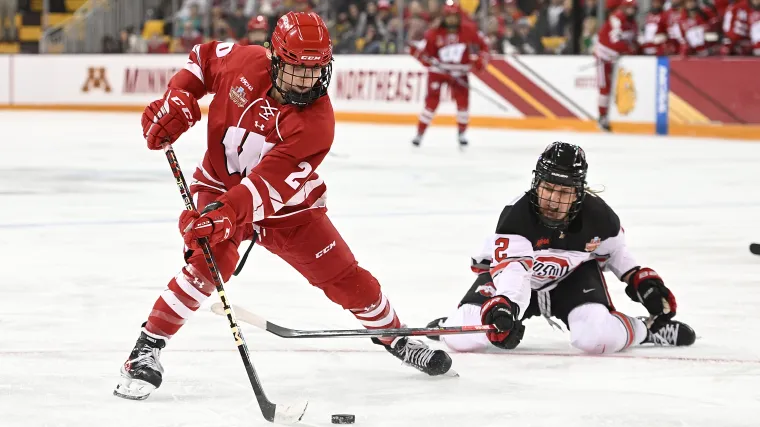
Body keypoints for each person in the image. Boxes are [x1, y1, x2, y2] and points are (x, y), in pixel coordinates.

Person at [114, 11, 453, 401]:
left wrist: (225, 215)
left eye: (316, 71)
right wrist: (179, 96)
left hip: (287, 210)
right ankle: (147, 348)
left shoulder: (316, 123)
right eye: (296, 69)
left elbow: (264, 187)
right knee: (211, 260)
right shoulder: (244, 63)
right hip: (219, 184)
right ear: (274, 58)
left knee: (347, 279)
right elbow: (203, 58)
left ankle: (395, 336)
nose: (307, 81)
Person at [426, 142, 696, 354]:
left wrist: (640, 278)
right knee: (464, 340)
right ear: (536, 183)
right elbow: (513, 271)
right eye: (548, 188)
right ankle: (452, 322)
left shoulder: (600, 217)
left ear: (579, 192)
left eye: (564, 192)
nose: (553, 200)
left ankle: (647, 331)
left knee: (596, 340)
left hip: (571, 281)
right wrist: (505, 306)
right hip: (517, 285)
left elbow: (616, 252)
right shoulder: (517, 216)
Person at [409, 0, 489, 149]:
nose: (451, 19)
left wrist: (479, 60)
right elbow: (423, 53)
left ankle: (462, 133)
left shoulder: (468, 30)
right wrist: (421, 56)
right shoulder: (434, 33)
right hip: (439, 73)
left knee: (463, 102)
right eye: (449, 16)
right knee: (432, 102)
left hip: (459, 73)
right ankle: (420, 133)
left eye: (454, 16)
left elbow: (484, 46)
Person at [594, 0, 639, 132]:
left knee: (619, 88)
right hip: (604, 57)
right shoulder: (616, 19)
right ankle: (602, 117)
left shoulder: (633, 24)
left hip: (617, 59)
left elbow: (633, 41)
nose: (633, 10)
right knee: (604, 88)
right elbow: (615, 42)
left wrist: (635, 48)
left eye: (634, 7)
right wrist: (630, 49)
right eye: (630, 7)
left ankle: (611, 116)